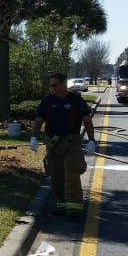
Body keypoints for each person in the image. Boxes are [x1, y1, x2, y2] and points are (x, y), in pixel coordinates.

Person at [30, 72, 96, 218]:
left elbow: (86, 120)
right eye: (50, 85)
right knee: (56, 175)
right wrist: (33, 137)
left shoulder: (75, 100)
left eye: (55, 85)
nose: (52, 88)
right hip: (53, 143)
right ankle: (61, 205)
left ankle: (74, 209)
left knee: (71, 173)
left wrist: (92, 140)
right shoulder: (48, 100)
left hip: (71, 142)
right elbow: (39, 120)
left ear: (63, 84)